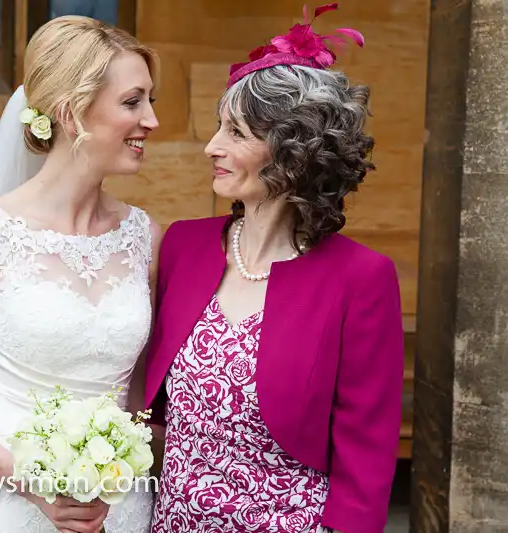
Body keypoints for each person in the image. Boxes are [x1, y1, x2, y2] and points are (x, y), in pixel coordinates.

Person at [143, 4, 404, 533]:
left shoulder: (361, 278)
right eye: (219, 128)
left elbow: (368, 449)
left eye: (236, 133)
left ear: (295, 151)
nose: (212, 147)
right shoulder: (182, 246)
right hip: (174, 521)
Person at [0, 15, 162, 533]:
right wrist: (32, 480)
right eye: (133, 102)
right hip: (12, 503)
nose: (152, 120)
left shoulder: (145, 238)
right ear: (73, 112)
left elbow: (139, 396)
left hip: (119, 507)